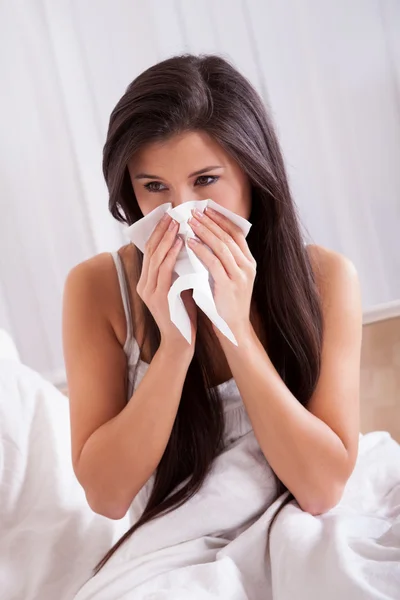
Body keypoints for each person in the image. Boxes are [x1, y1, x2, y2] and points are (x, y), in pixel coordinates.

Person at [62, 54, 362, 581]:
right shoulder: (97, 289)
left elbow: (320, 490)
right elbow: (106, 497)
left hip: (300, 531)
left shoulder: (327, 279)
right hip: (175, 557)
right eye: (154, 187)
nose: (182, 211)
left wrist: (235, 329)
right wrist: (176, 343)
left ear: (253, 172)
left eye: (205, 179)